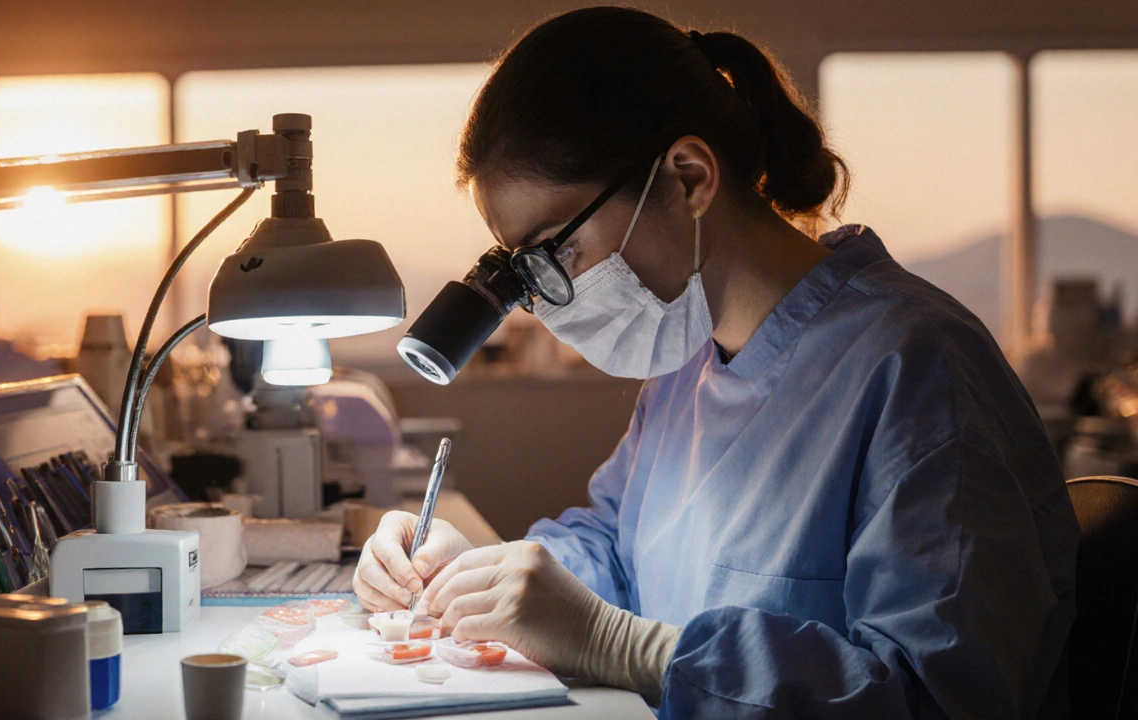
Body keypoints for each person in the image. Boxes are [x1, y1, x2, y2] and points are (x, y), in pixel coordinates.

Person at [355, 7, 1079, 717]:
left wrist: (627, 647)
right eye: (524, 270)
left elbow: (935, 695)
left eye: (557, 251)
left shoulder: (917, 370)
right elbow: (613, 543)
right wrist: (483, 575)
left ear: (690, 177)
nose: (547, 301)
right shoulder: (686, 358)